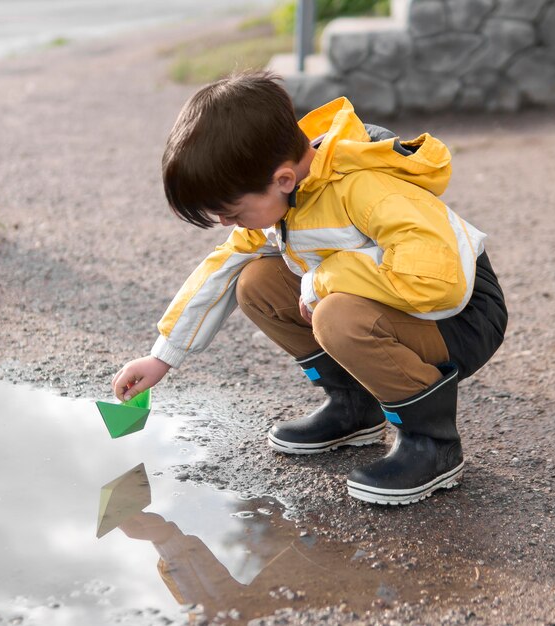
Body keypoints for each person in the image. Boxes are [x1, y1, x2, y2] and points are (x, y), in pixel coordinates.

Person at [112, 71, 507, 506]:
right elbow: (220, 269)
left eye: (233, 213)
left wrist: (323, 280)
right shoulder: (287, 196)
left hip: (462, 316)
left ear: (282, 179)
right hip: (398, 306)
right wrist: (162, 356)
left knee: (336, 316)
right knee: (256, 283)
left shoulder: (365, 188)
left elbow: (437, 283)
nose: (228, 224)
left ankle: (431, 443)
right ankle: (355, 408)